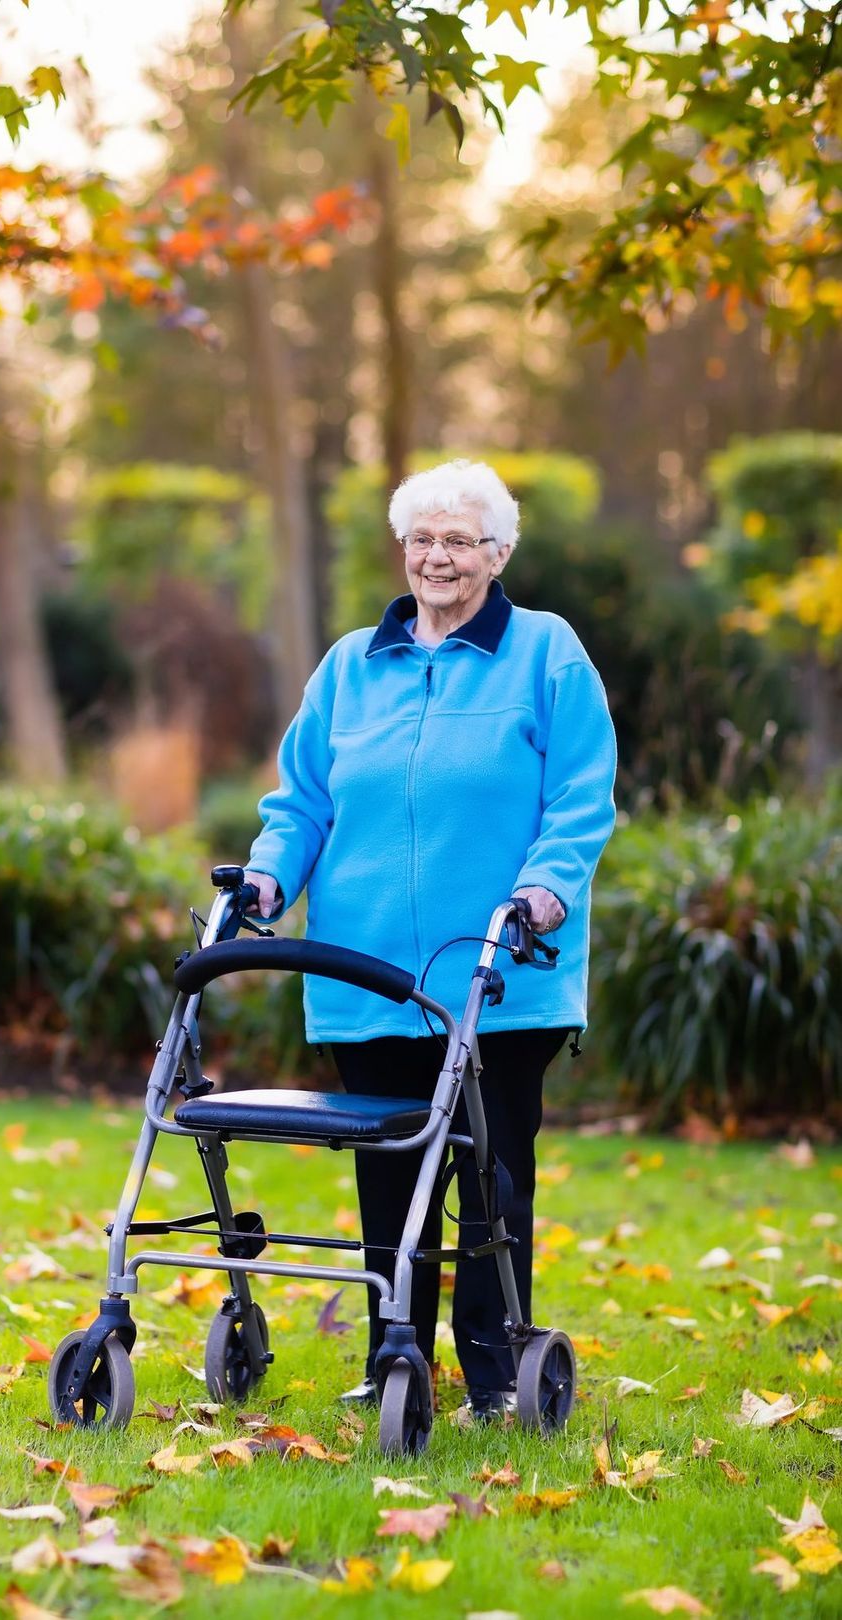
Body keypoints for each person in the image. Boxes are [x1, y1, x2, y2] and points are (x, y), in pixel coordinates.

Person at [244, 459, 617, 1420]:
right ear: (401, 548)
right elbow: (302, 802)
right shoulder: (349, 666)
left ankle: (496, 1373)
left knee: (491, 1177)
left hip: (499, 972)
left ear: (497, 553)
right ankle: (393, 1354)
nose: (437, 557)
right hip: (364, 974)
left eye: (459, 540)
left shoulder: (546, 652)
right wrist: (267, 877)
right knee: (388, 1167)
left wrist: (548, 888)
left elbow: (581, 794)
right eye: (422, 538)